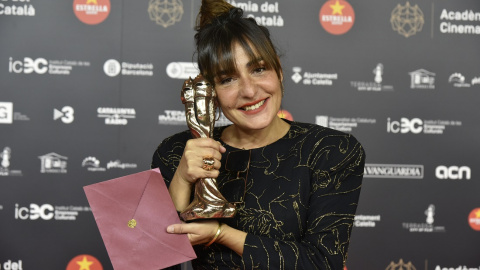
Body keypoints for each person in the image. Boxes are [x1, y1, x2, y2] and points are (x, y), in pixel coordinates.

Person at [151, 0, 366, 268]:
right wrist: (182, 179)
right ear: (210, 90)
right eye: (227, 79)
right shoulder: (176, 151)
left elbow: (323, 262)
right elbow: (150, 256)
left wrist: (222, 234)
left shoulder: (330, 150)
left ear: (279, 71)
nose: (249, 91)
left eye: (258, 69)